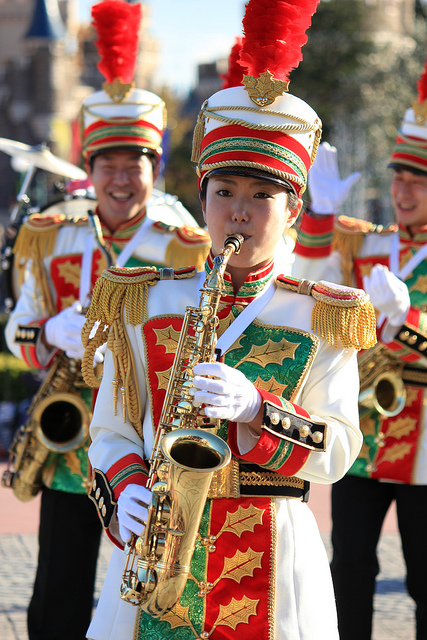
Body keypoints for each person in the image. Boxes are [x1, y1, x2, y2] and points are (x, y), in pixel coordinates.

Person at [82, 1, 377, 638]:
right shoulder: (146, 299)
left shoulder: (323, 313)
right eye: (224, 193)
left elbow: (341, 450)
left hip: (275, 553)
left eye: (261, 196)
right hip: (157, 554)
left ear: (294, 206)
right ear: (202, 198)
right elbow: (110, 430)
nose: (238, 212)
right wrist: (123, 486)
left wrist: (258, 410)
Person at [3, 2, 210, 639]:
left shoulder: (186, 243)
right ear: (87, 169)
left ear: (155, 165)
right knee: (56, 597)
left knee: (146, 597)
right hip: (72, 443)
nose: (122, 178)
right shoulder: (50, 235)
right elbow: (20, 327)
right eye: (108, 165)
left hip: (147, 446)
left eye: (136, 164)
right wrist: (48, 336)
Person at [292, 61, 427, 640]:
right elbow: (309, 281)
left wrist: (409, 322)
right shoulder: (369, 246)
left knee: (425, 578)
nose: (400, 190)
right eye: (397, 177)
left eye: (416, 180)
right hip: (364, 437)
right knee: (348, 568)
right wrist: (320, 217)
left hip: (424, 447)